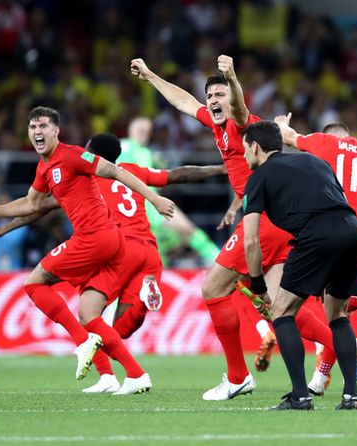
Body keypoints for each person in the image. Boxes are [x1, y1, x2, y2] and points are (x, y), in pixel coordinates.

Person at [131, 55, 338, 400]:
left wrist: (233, 78)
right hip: (279, 220)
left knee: (213, 289)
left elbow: (240, 107)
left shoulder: (244, 124)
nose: (213, 100)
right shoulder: (215, 124)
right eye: (210, 95)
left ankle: (237, 376)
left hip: (263, 220)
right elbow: (184, 100)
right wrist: (152, 75)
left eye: (219, 95)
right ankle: (342, 347)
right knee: (280, 306)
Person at [0, 133, 226, 393]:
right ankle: (110, 373)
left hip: (117, 249)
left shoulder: (85, 176)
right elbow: (178, 174)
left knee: (89, 315)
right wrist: (219, 168)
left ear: (90, 152)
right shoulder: (131, 171)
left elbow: (39, 207)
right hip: (149, 251)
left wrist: (5, 227)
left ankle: (116, 372)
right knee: (117, 331)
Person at [242, 120, 357, 411]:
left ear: (255, 147)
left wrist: (258, 284)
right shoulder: (314, 161)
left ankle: (300, 395)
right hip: (352, 230)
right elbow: (339, 198)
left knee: (282, 311)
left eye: (245, 149)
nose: (245, 155)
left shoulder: (259, 176)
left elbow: (250, 241)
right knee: (337, 315)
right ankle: (351, 395)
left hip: (316, 234)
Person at [274, 116, 357, 394]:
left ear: (332, 135)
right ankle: (324, 379)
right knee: (339, 309)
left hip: (328, 228)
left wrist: (281, 123)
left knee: (312, 307)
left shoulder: (323, 143)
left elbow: (287, 136)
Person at [119, 117, 221, 266]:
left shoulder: (147, 152)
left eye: (147, 130)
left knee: (179, 233)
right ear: (130, 129)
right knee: (184, 231)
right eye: (140, 128)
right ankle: (218, 261)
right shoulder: (125, 146)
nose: (144, 132)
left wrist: (159, 164)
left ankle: (216, 261)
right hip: (138, 204)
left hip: (153, 202)